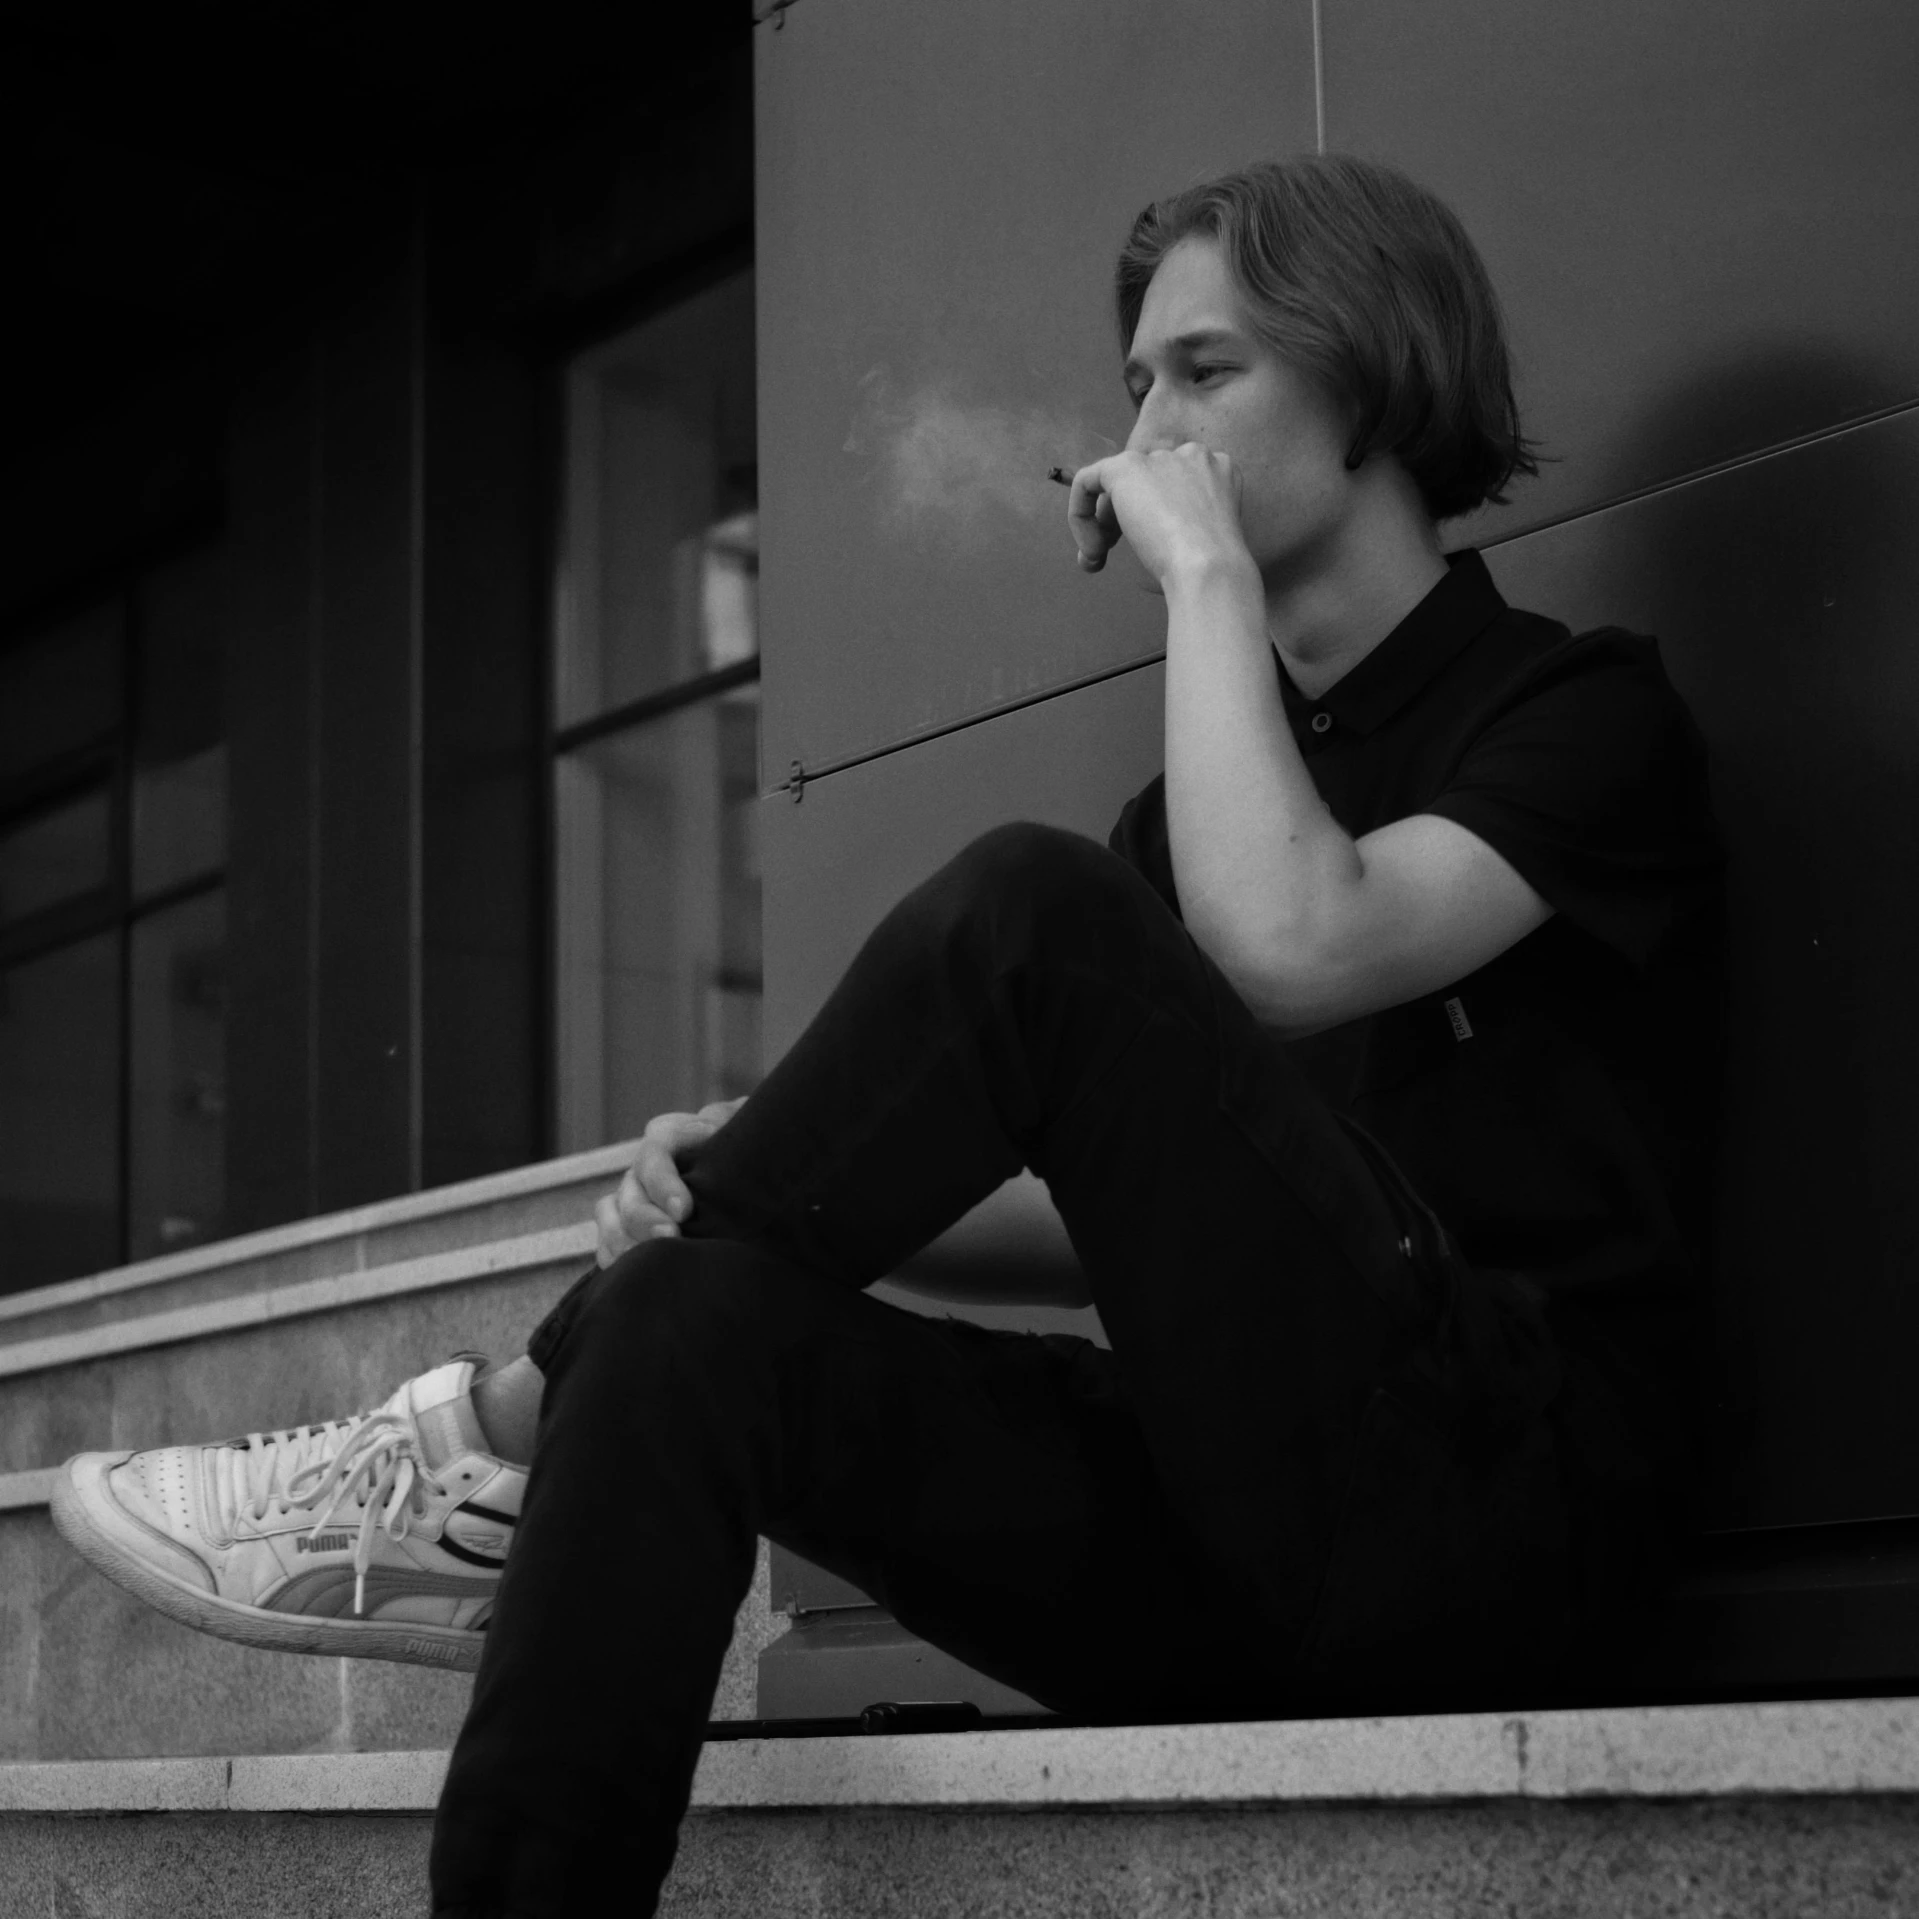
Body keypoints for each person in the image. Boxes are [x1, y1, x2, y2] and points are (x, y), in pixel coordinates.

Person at [50, 154, 1725, 1917]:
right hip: (1226, 1544)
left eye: (1206, 373)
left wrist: (1204, 585)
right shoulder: (1188, 827)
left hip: (1497, 1520)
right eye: (1135, 384)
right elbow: (1133, 1229)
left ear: (1375, 379)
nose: (1146, 432)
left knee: (1031, 904)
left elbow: (1299, 941)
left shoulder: (1581, 713)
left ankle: (489, 1430)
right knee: (698, 1312)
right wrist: (765, 1175)